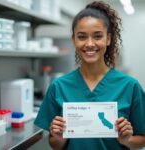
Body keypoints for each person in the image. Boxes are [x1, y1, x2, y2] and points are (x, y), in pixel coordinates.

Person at [34, 1, 145, 150]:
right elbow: (55, 144)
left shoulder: (130, 86)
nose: (90, 44)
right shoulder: (59, 86)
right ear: (74, 40)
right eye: (82, 37)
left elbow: (142, 139)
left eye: (98, 36)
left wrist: (127, 140)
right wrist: (59, 137)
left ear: (108, 39)